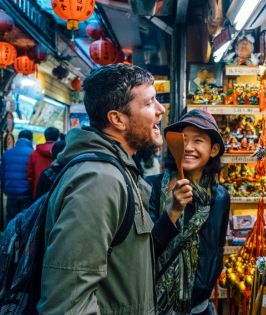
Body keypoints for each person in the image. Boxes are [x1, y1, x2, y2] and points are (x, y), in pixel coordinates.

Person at [37, 64, 179, 314]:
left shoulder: (119, 171)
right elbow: (68, 304)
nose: (161, 110)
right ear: (117, 119)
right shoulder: (99, 181)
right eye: (149, 103)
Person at [146, 109, 230, 315]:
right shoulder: (152, 188)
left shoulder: (219, 197)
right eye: (183, 140)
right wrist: (173, 211)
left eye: (198, 141)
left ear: (213, 149)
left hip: (199, 307)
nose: (189, 148)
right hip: (155, 306)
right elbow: (144, 253)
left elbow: (216, 247)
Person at [0, 129, 33, 223]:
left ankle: (10, 237)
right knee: (25, 221)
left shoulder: (7, 154)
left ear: (18, 139)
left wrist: (6, 189)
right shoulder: (32, 154)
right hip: (27, 194)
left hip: (11, 193)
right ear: (31, 139)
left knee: (11, 220)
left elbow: (2, 175)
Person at [27, 126, 60, 198]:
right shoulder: (61, 152)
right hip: (57, 192)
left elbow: (30, 175)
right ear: (58, 137)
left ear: (45, 136)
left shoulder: (34, 153)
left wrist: (33, 191)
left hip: (39, 191)